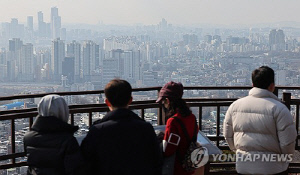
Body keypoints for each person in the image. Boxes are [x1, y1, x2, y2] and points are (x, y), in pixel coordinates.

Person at [224, 66, 297, 175]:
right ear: (272, 86)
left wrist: (239, 152)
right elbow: (288, 143)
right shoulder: (280, 109)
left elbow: (227, 136)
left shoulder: (235, 106)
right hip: (273, 168)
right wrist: (284, 159)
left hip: (244, 166)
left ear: (253, 85)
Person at [81, 79, 162, 175]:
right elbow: (156, 161)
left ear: (107, 102)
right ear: (130, 100)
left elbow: (85, 163)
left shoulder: (97, 131)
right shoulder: (145, 128)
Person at [24, 95, 85, 175]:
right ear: (63, 111)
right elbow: (75, 169)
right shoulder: (67, 140)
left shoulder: (28, 137)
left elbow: (31, 166)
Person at [156, 81, 198, 175]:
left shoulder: (173, 121)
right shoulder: (191, 117)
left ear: (167, 101)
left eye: (163, 101)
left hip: (176, 168)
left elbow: (168, 150)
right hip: (189, 165)